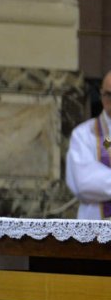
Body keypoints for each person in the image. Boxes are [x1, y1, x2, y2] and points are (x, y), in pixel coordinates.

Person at [65, 69, 111, 219]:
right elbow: (85, 182)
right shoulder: (84, 135)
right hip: (96, 226)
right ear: (101, 93)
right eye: (109, 95)